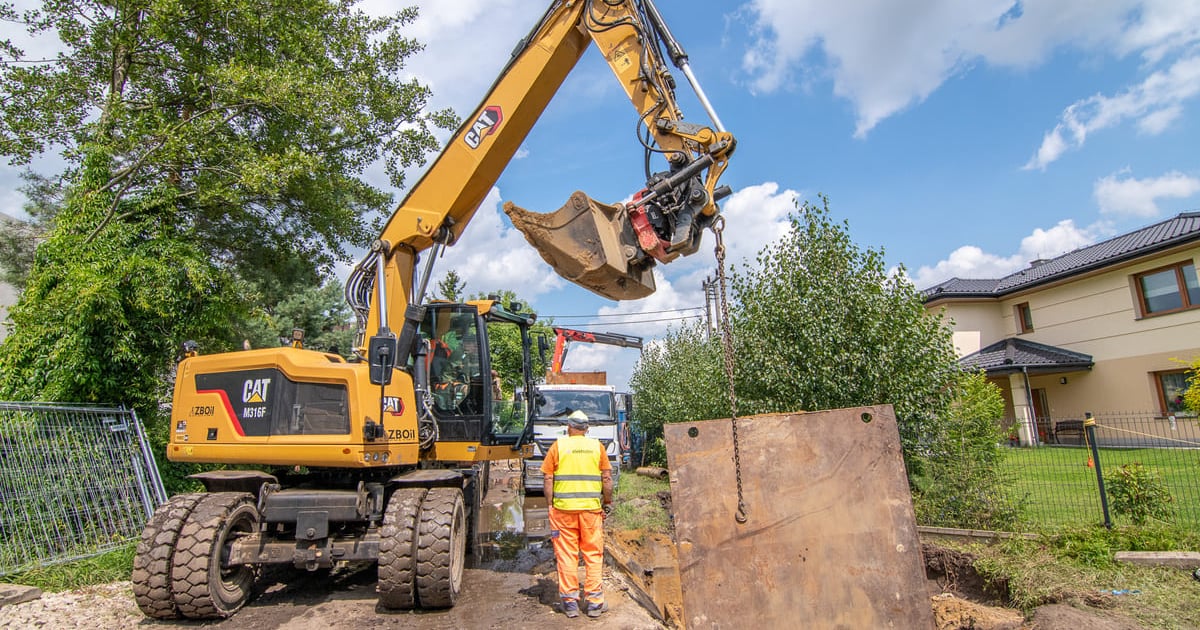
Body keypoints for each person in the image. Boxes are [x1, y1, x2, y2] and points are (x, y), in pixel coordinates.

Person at [541, 410, 613, 618]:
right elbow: (607, 479)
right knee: (593, 555)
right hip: (591, 511)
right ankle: (594, 603)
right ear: (587, 429)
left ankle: (570, 604)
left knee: (566, 555)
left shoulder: (558, 446)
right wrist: (606, 502)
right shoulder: (597, 447)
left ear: (569, 427)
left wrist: (550, 505)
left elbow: (548, 479)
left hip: (563, 511)